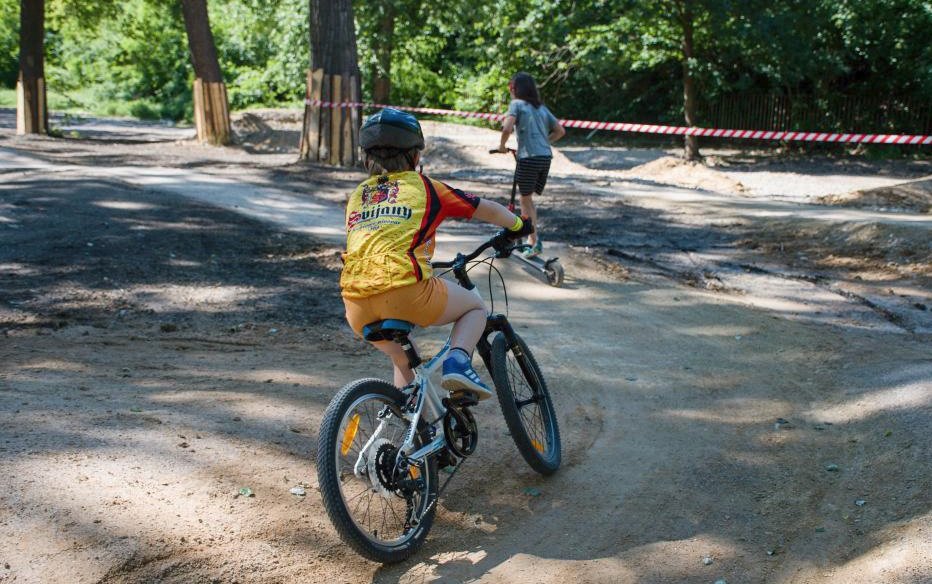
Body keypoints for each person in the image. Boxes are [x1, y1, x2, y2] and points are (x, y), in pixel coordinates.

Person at [341, 108, 532, 400]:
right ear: (416, 157)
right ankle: (458, 361)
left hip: (355, 302)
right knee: (474, 309)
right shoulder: (427, 188)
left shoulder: (357, 196)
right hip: (406, 288)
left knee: (402, 359)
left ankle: (409, 428)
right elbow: (487, 209)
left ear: (366, 157)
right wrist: (519, 225)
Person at [497, 72, 565, 257]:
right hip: (545, 157)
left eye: (511, 87)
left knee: (524, 200)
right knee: (528, 199)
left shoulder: (517, 105)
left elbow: (507, 128)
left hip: (529, 158)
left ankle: (534, 241)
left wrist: (502, 146)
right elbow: (560, 131)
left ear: (515, 89)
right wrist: (544, 142)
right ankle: (531, 237)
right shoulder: (540, 107)